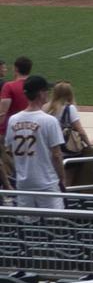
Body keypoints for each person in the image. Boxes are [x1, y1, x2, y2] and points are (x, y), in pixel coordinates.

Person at [6, 78, 65, 207]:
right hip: (47, 183)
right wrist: (62, 178)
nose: (48, 94)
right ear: (40, 94)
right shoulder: (49, 121)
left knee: (27, 224)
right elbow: (56, 155)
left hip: (23, 183)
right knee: (55, 224)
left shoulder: (13, 120)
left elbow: (9, 150)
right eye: (46, 91)